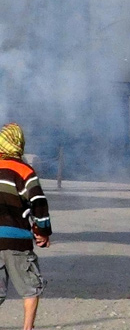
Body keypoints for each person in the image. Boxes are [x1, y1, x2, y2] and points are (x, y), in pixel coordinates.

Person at [0, 122, 52, 330]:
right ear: (19, 143)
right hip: (17, 241)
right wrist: (43, 232)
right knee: (30, 288)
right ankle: (27, 328)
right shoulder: (24, 171)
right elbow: (39, 203)